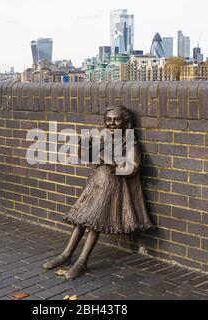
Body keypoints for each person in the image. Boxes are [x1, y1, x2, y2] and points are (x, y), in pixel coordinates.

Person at [43, 105, 153, 279]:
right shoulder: (102, 138)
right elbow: (86, 154)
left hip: (111, 186)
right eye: (108, 120)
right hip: (95, 184)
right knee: (79, 220)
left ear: (125, 122)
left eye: (116, 120)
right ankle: (66, 255)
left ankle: (82, 262)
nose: (112, 123)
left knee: (94, 222)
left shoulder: (130, 142)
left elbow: (132, 168)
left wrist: (111, 160)